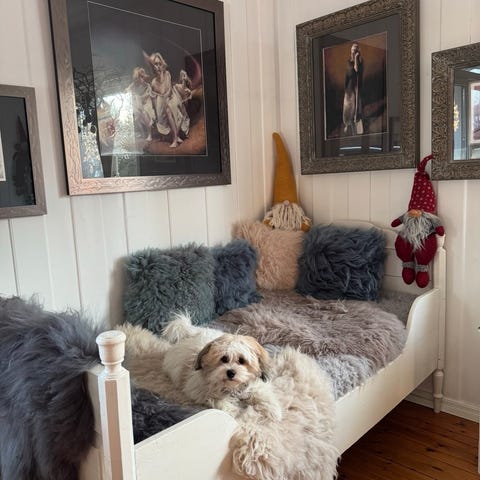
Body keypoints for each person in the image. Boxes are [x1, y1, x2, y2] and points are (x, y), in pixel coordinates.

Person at [146, 52, 186, 148]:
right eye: (156, 64)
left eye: (160, 63)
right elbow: (154, 100)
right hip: (161, 104)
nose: (158, 66)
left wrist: (168, 101)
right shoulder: (153, 83)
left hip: (171, 98)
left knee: (170, 110)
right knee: (166, 110)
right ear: (152, 66)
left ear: (162, 64)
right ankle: (176, 136)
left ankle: (175, 139)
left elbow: (169, 92)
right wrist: (155, 114)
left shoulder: (167, 74)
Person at [342, 42, 364, 135]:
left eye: (355, 49)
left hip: (357, 87)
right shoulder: (348, 62)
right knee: (348, 107)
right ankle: (347, 124)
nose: (354, 51)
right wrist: (345, 88)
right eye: (353, 49)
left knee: (356, 106)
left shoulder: (360, 61)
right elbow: (349, 73)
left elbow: (357, 70)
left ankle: (357, 126)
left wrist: (356, 59)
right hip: (349, 87)